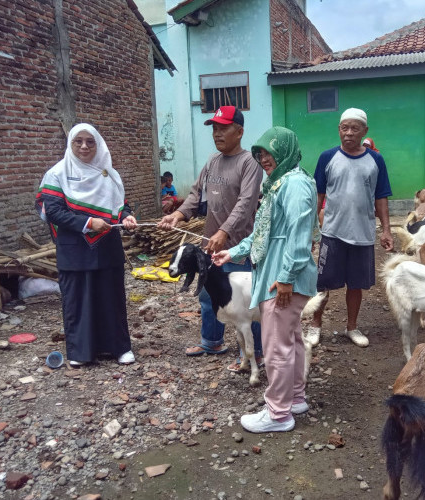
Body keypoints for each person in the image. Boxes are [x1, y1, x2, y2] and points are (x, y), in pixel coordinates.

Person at [213, 126, 318, 433]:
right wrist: (232, 253)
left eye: (270, 152)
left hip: (282, 279)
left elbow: (299, 235)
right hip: (278, 274)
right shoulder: (280, 183)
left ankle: (278, 413)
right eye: (260, 154)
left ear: (285, 150)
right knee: (291, 341)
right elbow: (265, 236)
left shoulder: (294, 184)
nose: (264, 159)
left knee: (276, 348)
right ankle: (295, 398)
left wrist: (286, 278)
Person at [158, 106, 264, 370]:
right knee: (209, 295)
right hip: (211, 244)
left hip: (239, 245)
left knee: (245, 299)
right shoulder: (212, 161)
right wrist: (179, 216)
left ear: (239, 132)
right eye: (214, 128)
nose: (217, 133)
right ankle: (213, 341)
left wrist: (224, 231)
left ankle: (255, 353)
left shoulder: (250, 163)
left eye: (223, 128)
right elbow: (195, 195)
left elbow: (246, 203)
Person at [35, 123, 137, 366]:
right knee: (78, 301)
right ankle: (81, 352)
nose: (84, 146)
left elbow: (121, 206)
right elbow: (54, 213)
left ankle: (119, 348)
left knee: (111, 298)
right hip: (75, 248)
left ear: (98, 144)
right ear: (70, 144)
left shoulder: (109, 173)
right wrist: (89, 222)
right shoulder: (57, 174)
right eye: (78, 141)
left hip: (107, 247)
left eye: (90, 141)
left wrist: (127, 217)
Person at [306, 108, 393, 348]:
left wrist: (386, 229)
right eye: (345, 128)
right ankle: (315, 326)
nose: (349, 133)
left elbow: (382, 196)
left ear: (365, 130)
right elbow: (318, 195)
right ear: (339, 130)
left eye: (355, 128)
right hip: (332, 232)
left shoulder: (375, 160)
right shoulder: (327, 157)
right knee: (322, 283)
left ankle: (351, 327)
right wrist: (312, 230)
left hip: (363, 234)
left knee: (356, 284)